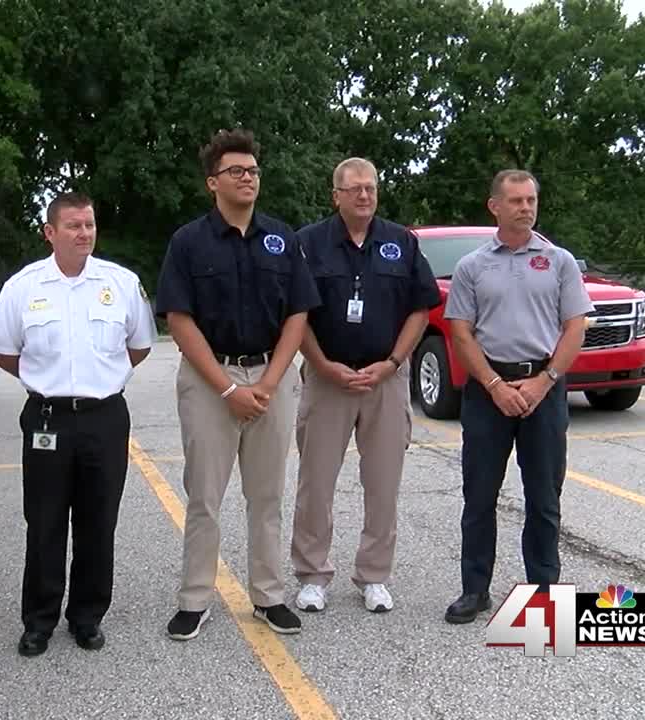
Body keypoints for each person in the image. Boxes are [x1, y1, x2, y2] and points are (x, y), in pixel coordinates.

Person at [154, 129, 320, 641]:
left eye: (252, 171)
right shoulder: (188, 242)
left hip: (270, 377)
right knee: (204, 495)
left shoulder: (281, 239)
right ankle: (195, 597)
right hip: (211, 381)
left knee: (266, 495)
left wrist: (269, 382)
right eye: (236, 171)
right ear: (213, 182)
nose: (248, 178)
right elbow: (179, 320)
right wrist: (228, 388)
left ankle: (269, 595)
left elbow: (298, 314)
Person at [0, 192, 156, 657]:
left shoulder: (120, 283)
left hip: (104, 417)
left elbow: (139, 345)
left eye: (89, 225)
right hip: (47, 417)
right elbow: (4, 351)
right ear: (50, 232)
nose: (84, 234)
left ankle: (87, 616)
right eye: (73, 226)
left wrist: (104, 380)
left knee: (98, 521)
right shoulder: (23, 286)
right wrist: (45, 382)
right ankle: (39, 620)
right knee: (43, 522)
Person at [291, 157, 442, 615]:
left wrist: (394, 362)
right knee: (315, 483)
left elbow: (421, 309)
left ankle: (374, 576)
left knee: (383, 483)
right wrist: (322, 364)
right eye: (354, 188)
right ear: (335, 194)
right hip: (327, 379)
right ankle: (312, 575)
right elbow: (295, 313)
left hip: (385, 379)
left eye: (371, 188)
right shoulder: (307, 244)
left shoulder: (400, 242)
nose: (364, 195)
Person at [442, 169, 592, 624]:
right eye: (516, 201)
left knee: (544, 497)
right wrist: (493, 386)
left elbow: (575, 327)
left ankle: (544, 595)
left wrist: (544, 380)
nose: (526, 208)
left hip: (542, 390)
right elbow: (461, 333)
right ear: (495, 207)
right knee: (479, 496)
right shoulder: (473, 266)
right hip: (488, 394)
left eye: (531, 200)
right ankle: (475, 590)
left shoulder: (559, 261)